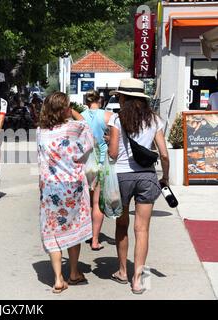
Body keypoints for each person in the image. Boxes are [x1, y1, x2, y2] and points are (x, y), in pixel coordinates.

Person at [107, 78, 170, 294]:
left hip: (122, 177)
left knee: (122, 225)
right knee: (142, 229)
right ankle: (138, 280)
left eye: (119, 95)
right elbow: (163, 154)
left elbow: (114, 153)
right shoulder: (154, 120)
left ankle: (123, 271)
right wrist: (166, 178)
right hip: (146, 177)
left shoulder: (117, 119)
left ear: (124, 97)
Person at [37, 92, 94, 293]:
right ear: (65, 109)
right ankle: (74, 272)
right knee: (73, 225)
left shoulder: (41, 132)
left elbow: (41, 161)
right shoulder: (73, 128)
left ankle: (58, 279)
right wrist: (75, 112)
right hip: (72, 187)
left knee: (52, 230)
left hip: (51, 186)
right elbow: (88, 132)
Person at [81, 90, 113, 251]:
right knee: (97, 204)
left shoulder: (80, 116)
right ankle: (94, 240)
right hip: (101, 162)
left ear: (86, 102)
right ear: (100, 100)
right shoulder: (108, 116)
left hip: (85, 162)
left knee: (86, 202)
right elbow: (115, 138)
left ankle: (85, 234)